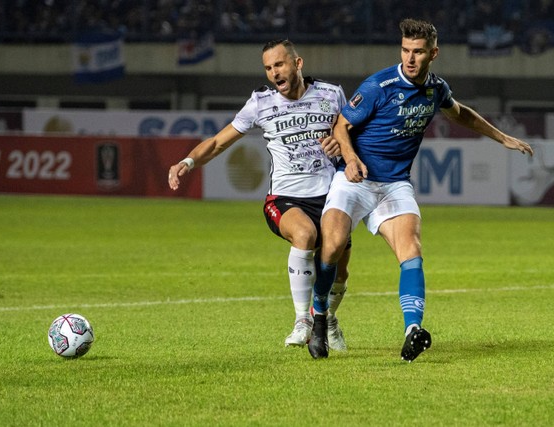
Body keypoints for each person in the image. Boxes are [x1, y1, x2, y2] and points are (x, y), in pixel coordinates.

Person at [307, 18, 534, 361]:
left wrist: (502, 137)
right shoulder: (378, 86)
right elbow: (341, 124)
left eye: (418, 52)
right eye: (406, 50)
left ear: (434, 54)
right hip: (354, 179)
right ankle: (319, 317)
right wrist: (351, 159)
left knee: (411, 248)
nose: (410, 58)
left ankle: (413, 330)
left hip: (395, 184)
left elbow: (462, 114)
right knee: (333, 246)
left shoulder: (435, 89)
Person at [168, 39, 351, 353]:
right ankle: (301, 321)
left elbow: (350, 133)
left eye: (279, 64)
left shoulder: (331, 94)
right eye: (268, 68)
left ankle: (328, 319)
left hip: (332, 196)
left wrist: (340, 144)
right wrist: (188, 161)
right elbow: (218, 141)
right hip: (285, 197)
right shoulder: (261, 103)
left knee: (339, 268)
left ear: (298, 63)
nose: (274, 73)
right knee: (304, 235)